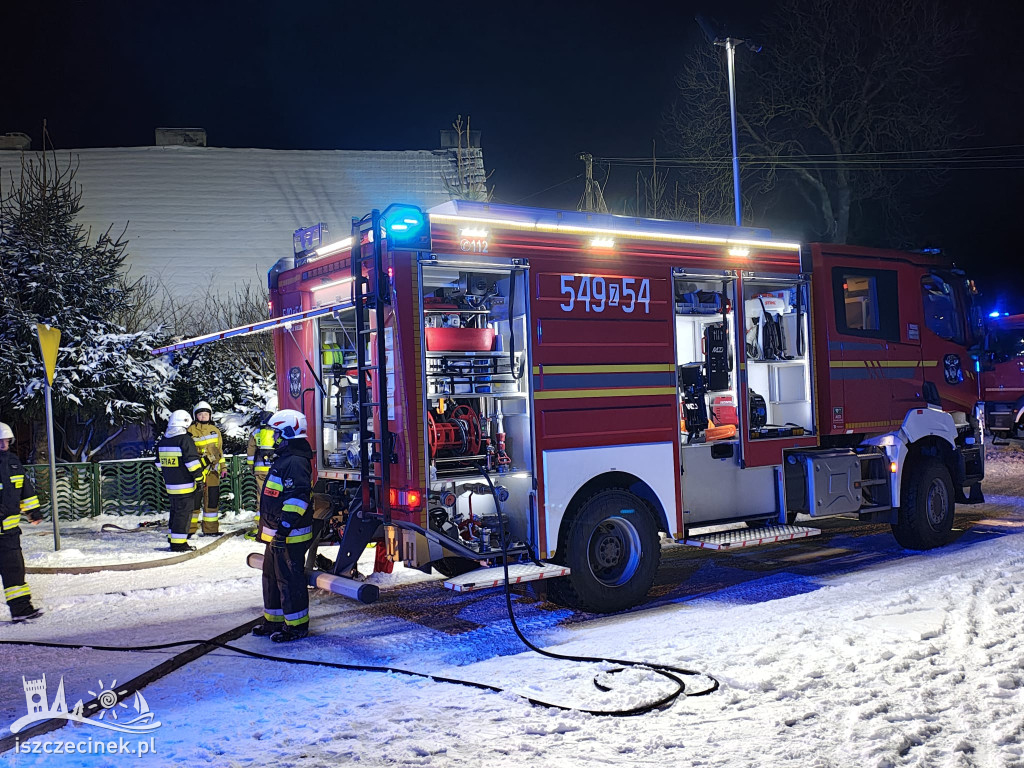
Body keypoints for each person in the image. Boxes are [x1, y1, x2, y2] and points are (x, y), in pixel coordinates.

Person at [251, 408, 314, 643]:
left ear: (288, 432)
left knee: (290, 580)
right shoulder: (286, 459)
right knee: (271, 578)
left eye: (277, 433)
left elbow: (297, 499)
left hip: (289, 535)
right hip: (277, 534)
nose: (274, 438)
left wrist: (284, 529)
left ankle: (296, 626)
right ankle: (274, 621)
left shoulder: (296, 462)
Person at [0, 421, 43, 622]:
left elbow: (26, 490)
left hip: (9, 534)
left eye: (6, 441)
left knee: (15, 573)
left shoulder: (14, 463)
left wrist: (33, 512)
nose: (3, 445)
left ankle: (21, 609)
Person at [155, 410, 208, 552]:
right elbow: (192, 463)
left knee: (175, 511)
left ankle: (173, 538)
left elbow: (159, 464)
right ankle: (179, 544)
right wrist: (199, 478)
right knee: (183, 513)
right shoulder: (184, 440)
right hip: (185, 485)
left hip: (170, 485)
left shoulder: (163, 441)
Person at [187, 401, 225, 536]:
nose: (203, 417)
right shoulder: (190, 431)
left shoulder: (215, 431)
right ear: (195, 416)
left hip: (213, 472)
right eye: (200, 414)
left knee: (212, 501)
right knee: (194, 501)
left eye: (206, 414)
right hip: (197, 471)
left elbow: (219, 451)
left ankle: (211, 529)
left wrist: (223, 466)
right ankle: (190, 530)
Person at [244, 412, 276, 540]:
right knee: (275, 495)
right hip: (274, 470)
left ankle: (260, 525)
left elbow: (250, 451)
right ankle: (274, 523)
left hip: (260, 470)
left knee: (261, 496)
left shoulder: (256, 432)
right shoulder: (276, 431)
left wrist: (252, 467)